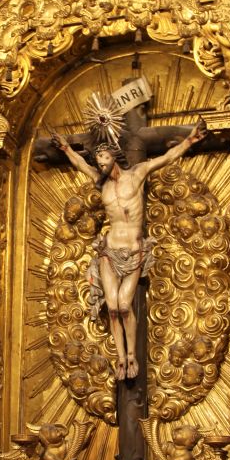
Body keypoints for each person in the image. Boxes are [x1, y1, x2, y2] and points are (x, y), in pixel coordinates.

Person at [50, 119, 207, 381]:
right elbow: (80, 164)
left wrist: (190, 140)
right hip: (109, 251)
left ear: (114, 156)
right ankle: (121, 359)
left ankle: (132, 354)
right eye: (98, 159)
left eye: (104, 158)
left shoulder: (136, 174)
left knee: (124, 305)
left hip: (133, 251)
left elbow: (167, 157)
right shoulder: (101, 182)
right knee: (112, 308)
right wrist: (66, 148)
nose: (100, 163)